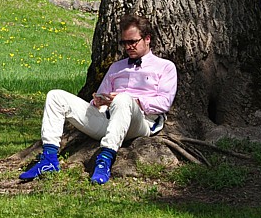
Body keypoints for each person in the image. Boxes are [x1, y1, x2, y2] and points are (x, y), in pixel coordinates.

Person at [19, 13, 177, 184]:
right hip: (108, 119)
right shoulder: (116, 67)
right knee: (55, 96)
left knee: (123, 99)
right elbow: (102, 95)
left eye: (133, 42)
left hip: (140, 122)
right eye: (124, 43)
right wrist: (98, 101)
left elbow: (164, 103)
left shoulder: (165, 67)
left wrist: (133, 100)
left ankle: (104, 160)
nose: (128, 47)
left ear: (147, 39)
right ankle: (49, 158)